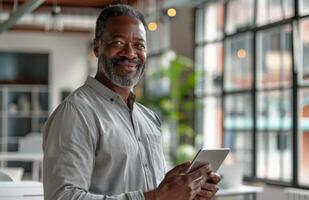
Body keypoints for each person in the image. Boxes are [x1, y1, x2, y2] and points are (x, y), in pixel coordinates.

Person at [43, 4, 221, 200]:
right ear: (97, 47)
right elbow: (62, 196)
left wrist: (181, 191)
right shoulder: (76, 113)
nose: (130, 53)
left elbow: (148, 190)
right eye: (118, 43)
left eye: (139, 45)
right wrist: (156, 197)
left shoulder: (148, 117)